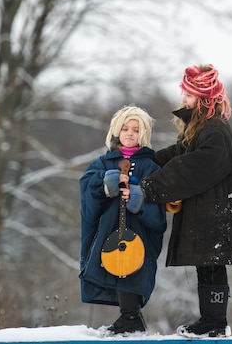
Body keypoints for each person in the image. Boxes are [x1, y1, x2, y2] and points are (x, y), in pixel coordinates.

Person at [137, 64, 232, 337]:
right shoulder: (202, 129)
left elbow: (193, 167)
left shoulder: (215, 131)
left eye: (188, 95)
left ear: (203, 98)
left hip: (215, 212)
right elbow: (180, 153)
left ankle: (214, 323)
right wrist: (147, 160)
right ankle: (211, 321)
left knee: (211, 264)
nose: (183, 100)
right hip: (208, 211)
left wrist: (151, 185)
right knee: (207, 264)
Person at [79, 105, 167, 336]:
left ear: (144, 134)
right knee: (114, 263)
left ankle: (131, 317)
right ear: (116, 131)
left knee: (133, 266)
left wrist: (138, 197)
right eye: (125, 128)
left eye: (136, 130)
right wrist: (107, 181)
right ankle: (130, 317)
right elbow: (87, 186)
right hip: (108, 230)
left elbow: (159, 208)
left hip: (139, 232)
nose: (130, 133)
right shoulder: (103, 162)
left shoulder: (151, 166)